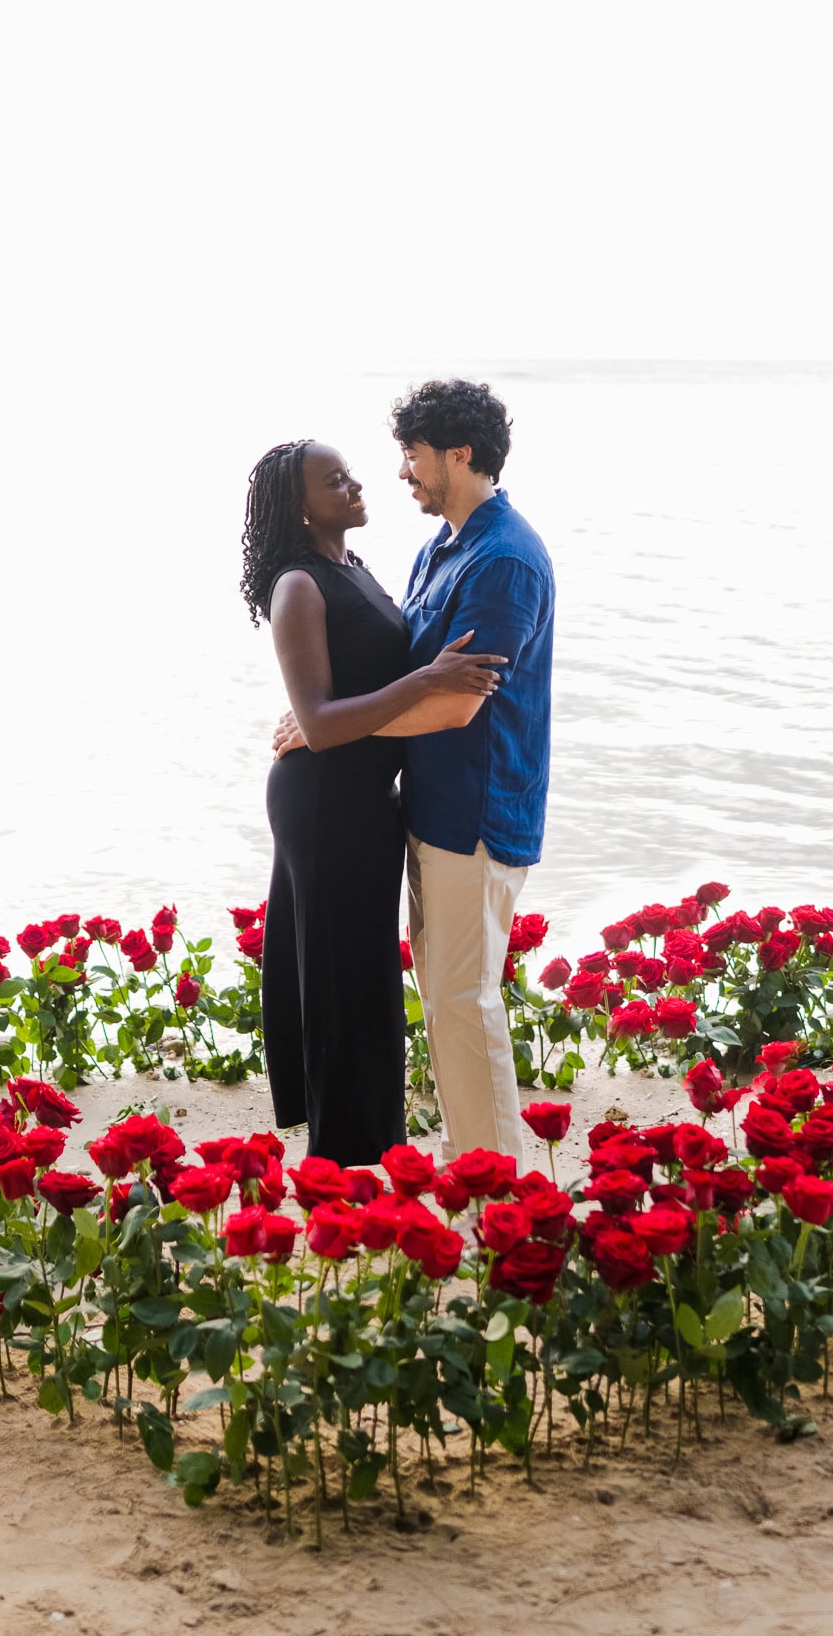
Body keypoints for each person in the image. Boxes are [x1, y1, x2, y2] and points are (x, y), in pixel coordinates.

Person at [241, 439, 507, 1165]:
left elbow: (343, 701)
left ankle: (366, 1148)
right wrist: (427, 683)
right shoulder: (298, 584)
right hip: (324, 801)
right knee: (340, 978)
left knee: (361, 976)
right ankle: (343, 1161)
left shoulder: (348, 568)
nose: (357, 484)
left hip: (361, 799)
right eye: (337, 481)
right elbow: (323, 723)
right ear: (301, 506)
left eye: (351, 473)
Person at [391, 379, 555, 1170]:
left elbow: (455, 705)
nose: (404, 473)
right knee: (446, 1002)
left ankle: (498, 1186)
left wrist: (329, 731)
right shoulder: (443, 546)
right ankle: (471, 1162)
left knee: (464, 1000)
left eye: (414, 457)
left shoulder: (505, 562)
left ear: (459, 455)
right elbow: (413, 671)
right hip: (434, 808)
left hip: (480, 815)